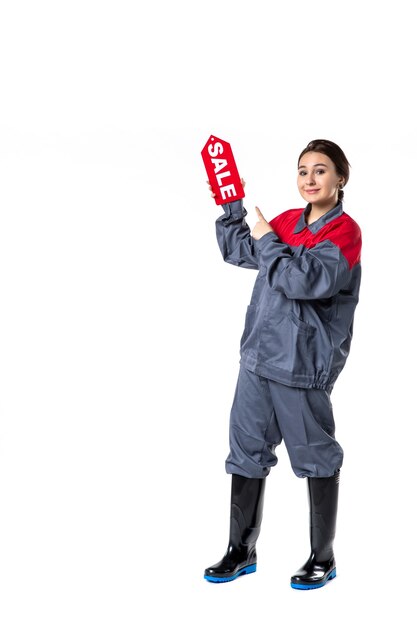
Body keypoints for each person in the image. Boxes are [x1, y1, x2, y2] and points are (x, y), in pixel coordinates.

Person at [204, 139, 362, 590]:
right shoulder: (289, 223)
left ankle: (322, 556)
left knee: (314, 456)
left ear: (340, 179)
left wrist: (268, 239)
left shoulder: (344, 233)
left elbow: (302, 281)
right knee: (246, 451)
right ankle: (241, 550)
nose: (309, 180)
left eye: (320, 171)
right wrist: (230, 201)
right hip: (257, 356)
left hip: (300, 362)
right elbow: (240, 250)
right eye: (302, 171)